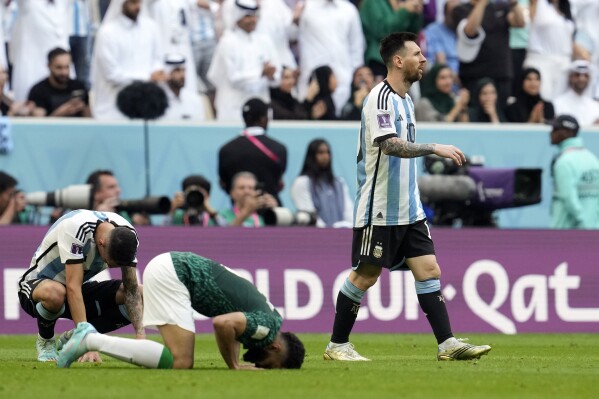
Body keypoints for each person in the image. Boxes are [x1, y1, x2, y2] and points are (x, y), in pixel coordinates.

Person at [323, 32, 491, 362]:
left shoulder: (407, 100)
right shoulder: (380, 99)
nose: (424, 59)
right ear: (399, 61)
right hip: (380, 208)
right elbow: (389, 145)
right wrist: (433, 147)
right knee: (366, 275)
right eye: (417, 54)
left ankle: (447, 344)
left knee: (429, 269)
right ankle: (337, 344)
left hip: (410, 208)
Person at [57, 251, 305, 369]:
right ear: (276, 346)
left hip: (174, 268)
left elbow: (235, 325)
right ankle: (90, 339)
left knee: (181, 360)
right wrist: (234, 365)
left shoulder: (271, 318)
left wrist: (236, 358)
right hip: (175, 274)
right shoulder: (267, 328)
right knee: (181, 361)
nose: (263, 368)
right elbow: (223, 323)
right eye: (271, 365)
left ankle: (87, 339)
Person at [17, 209, 143, 362]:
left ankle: (72, 337)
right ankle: (46, 341)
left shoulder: (128, 235)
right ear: (101, 244)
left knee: (144, 295)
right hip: (38, 288)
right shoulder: (75, 228)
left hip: (75, 291)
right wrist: (87, 343)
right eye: (110, 262)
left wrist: (140, 338)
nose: (109, 266)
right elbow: (72, 286)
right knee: (56, 292)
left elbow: (131, 289)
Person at [207, 0, 280, 122]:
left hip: (260, 105)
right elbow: (234, 78)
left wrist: (272, 75)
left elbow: (276, 76)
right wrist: (261, 73)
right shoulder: (228, 42)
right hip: (233, 107)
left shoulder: (264, 41)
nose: (253, 20)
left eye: (254, 16)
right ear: (237, 17)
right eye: (248, 16)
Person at [90, 0, 165, 119]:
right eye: (133, 3)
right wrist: (148, 78)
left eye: (139, 3)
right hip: (113, 106)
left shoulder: (151, 27)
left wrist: (156, 71)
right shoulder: (107, 33)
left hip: (146, 104)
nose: (137, 7)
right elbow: (112, 74)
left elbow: (158, 60)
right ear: (121, 4)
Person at [452, 0, 525, 107]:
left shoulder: (501, 7)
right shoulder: (460, 9)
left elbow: (519, 23)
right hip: (473, 74)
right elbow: (470, 31)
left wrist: (514, 4)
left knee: (501, 111)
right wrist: (482, 3)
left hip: (501, 73)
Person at [218, 98, 287, 205]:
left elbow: (224, 183)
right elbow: (279, 183)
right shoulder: (279, 149)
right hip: (269, 213)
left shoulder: (226, 149)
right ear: (263, 119)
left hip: (238, 214)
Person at [549, 115, 599, 229]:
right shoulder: (592, 159)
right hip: (593, 230)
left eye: (555, 129)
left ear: (566, 132)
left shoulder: (564, 162)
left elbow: (568, 198)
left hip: (566, 233)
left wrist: (583, 223)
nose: (550, 133)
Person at [290, 139, 353, 228]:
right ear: (311, 156)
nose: (325, 156)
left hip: (341, 235)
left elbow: (348, 211)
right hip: (316, 236)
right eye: (320, 153)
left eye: (327, 153)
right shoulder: (302, 182)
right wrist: (329, 231)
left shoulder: (339, 183)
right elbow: (309, 215)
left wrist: (346, 226)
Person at [360, 0, 424, 80]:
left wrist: (416, 14)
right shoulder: (372, 2)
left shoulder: (402, 2)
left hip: (402, 60)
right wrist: (404, 11)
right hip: (380, 61)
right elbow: (380, 30)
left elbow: (411, 34)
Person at [27, 48, 91, 117]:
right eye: (59, 67)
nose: (64, 72)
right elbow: (38, 125)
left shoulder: (79, 86)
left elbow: (89, 119)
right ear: (49, 66)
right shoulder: (38, 91)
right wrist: (60, 113)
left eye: (67, 67)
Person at [160, 54, 207, 121]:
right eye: (177, 70)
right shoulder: (158, 101)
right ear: (167, 74)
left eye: (183, 70)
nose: (182, 75)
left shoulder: (194, 100)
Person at [553, 60, 599, 127]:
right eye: (577, 75)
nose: (582, 79)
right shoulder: (558, 103)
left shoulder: (595, 106)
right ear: (570, 78)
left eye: (586, 76)